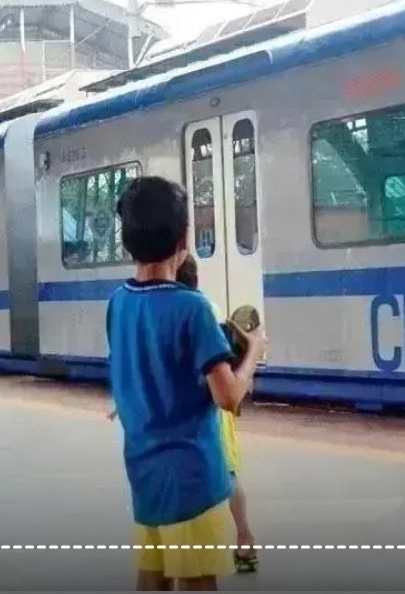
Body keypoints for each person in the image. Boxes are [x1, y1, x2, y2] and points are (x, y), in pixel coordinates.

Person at [106, 176, 267, 591]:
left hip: (145, 477)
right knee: (198, 583)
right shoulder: (192, 308)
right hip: (193, 479)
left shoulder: (118, 302)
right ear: (183, 240)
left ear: (128, 242)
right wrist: (253, 352)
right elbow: (229, 397)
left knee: (152, 580)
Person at [175, 254, 260, 574]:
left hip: (206, 405)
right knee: (227, 472)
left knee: (222, 473)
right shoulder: (205, 308)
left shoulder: (198, 311)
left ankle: (243, 538)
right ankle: (244, 539)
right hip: (210, 404)